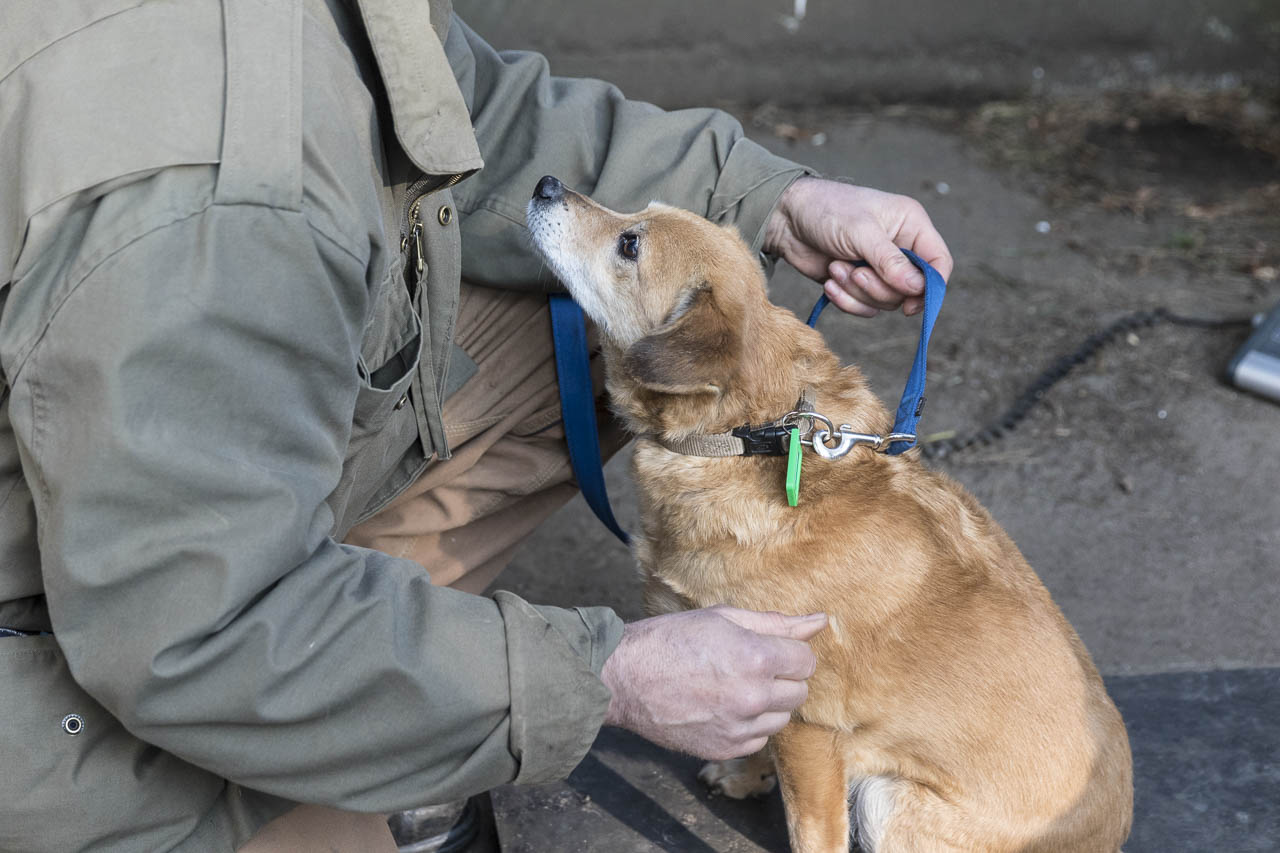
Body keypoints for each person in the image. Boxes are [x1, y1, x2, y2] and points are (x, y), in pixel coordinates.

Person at [0, 0, 952, 850]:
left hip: (164, 525)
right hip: (66, 694)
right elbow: (198, 631)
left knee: (581, 334)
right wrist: (601, 677)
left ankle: (381, 674)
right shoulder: (211, 211)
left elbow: (463, 103)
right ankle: (360, 703)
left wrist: (772, 201)